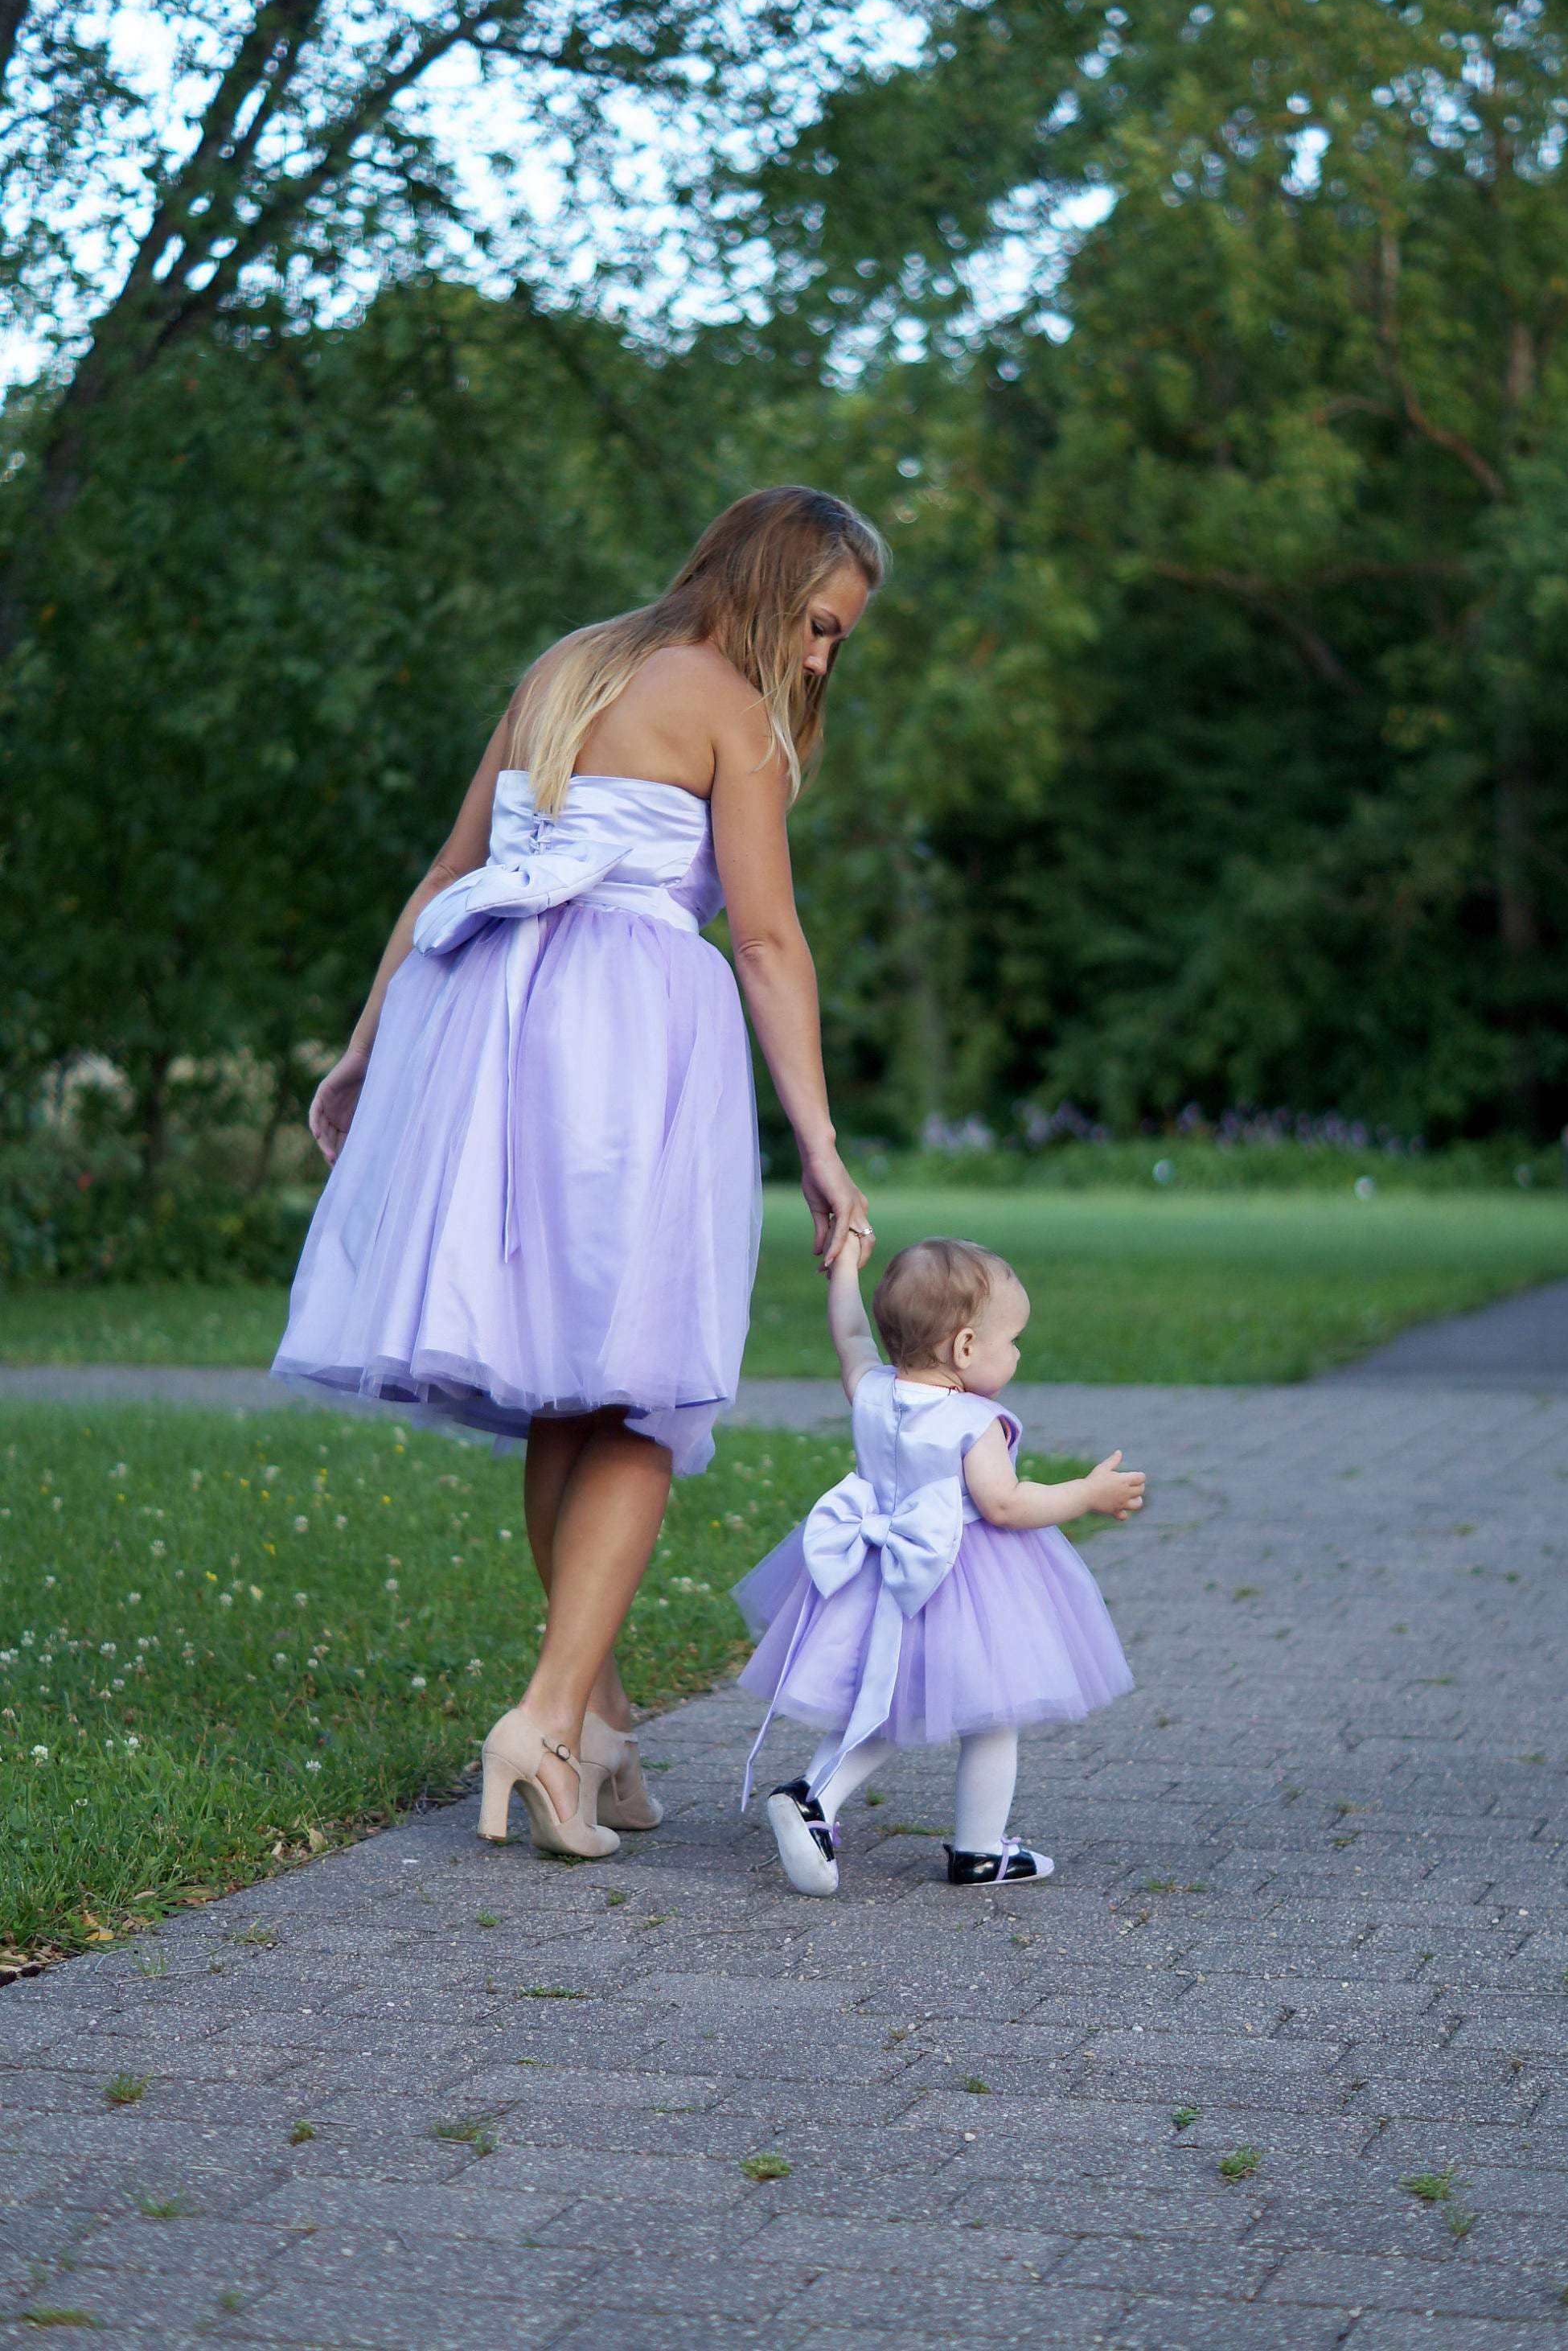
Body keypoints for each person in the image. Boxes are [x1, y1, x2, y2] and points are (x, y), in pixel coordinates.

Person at [272, 486, 884, 1860]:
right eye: (820, 626)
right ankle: (544, 1721)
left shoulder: (568, 668)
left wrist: (369, 1055)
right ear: (772, 587)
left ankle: (594, 1720)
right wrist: (821, 1148)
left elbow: (443, 876)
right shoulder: (726, 707)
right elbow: (770, 946)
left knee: (570, 1384)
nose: (819, 661)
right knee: (639, 1389)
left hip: (489, 1028)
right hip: (625, 1043)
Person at [733, 1233, 1142, 1894]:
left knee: (882, 1698)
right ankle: (979, 1851)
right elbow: (1005, 1505)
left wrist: (843, 1274)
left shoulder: (871, 1388)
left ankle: (815, 1795)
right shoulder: (972, 1420)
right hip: (960, 1581)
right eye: (1011, 1341)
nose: (1017, 1354)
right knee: (993, 1716)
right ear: (965, 1349)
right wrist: (1087, 1496)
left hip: (878, 1572)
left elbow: (849, 1334)